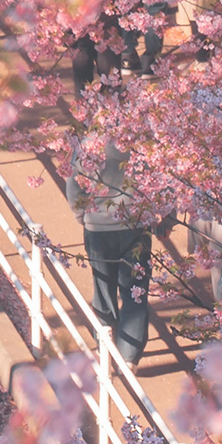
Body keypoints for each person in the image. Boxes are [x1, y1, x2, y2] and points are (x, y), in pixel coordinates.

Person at [66, 137, 152, 368]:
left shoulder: (89, 144)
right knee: (136, 292)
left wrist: (82, 216)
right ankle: (128, 357)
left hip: (98, 228)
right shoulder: (146, 142)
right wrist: (166, 220)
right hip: (136, 226)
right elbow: (165, 182)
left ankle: (104, 349)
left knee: (103, 290)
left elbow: (74, 186)